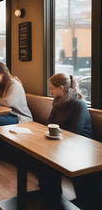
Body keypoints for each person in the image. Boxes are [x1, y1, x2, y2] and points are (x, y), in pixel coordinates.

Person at [38, 73, 95, 209]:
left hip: (83, 146)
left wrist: (56, 140)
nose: (50, 91)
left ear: (61, 88)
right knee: (41, 158)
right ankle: (51, 196)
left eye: (52, 88)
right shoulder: (57, 102)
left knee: (48, 159)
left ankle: (55, 198)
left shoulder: (78, 104)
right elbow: (50, 122)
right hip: (62, 142)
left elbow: (75, 132)